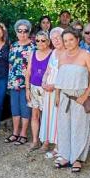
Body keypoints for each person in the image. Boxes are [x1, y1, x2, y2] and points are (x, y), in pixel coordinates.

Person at [54, 27, 90, 172]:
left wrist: (85, 95)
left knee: (79, 128)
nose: (68, 43)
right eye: (65, 40)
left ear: (78, 39)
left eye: (71, 40)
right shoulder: (61, 56)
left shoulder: (86, 55)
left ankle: (77, 158)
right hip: (65, 97)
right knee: (64, 126)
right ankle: (66, 156)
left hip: (81, 97)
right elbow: (59, 77)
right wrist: (57, 95)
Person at [6, 19, 35, 146]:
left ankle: (23, 134)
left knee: (25, 108)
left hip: (26, 83)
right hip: (13, 82)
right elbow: (10, 64)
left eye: (25, 31)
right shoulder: (13, 45)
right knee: (15, 108)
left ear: (29, 32)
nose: (22, 33)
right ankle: (15, 132)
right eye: (20, 31)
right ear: (16, 32)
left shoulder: (33, 47)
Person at [39, 27, 64, 157]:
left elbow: (66, 76)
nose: (55, 40)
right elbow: (48, 70)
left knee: (58, 117)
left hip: (59, 90)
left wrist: (53, 86)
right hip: (48, 89)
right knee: (48, 116)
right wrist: (43, 82)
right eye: (53, 38)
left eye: (58, 37)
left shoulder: (67, 53)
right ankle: (46, 140)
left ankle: (58, 146)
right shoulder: (53, 53)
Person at [25, 31, 52, 151]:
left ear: (48, 41)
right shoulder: (33, 53)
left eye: (43, 40)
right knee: (34, 115)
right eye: (37, 40)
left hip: (46, 88)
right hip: (34, 87)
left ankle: (46, 142)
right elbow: (28, 72)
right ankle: (35, 140)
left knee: (45, 116)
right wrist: (27, 89)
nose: (40, 43)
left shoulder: (53, 54)